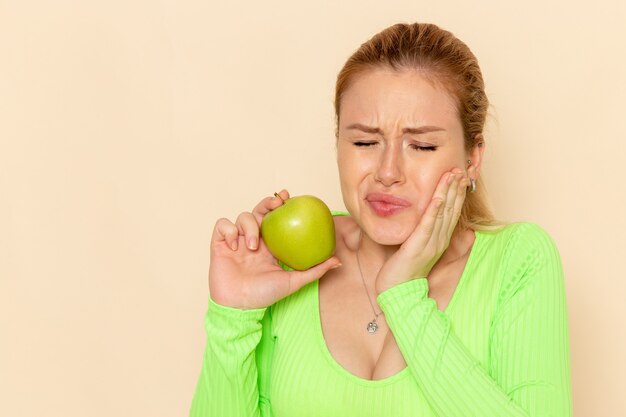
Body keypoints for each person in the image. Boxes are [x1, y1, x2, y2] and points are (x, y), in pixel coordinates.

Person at [189, 22, 572, 417]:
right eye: (364, 142)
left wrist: (404, 295)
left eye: (421, 145)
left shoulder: (518, 261)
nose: (387, 172)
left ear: (472, 159)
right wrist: (232, 317)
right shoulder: (284, 262)